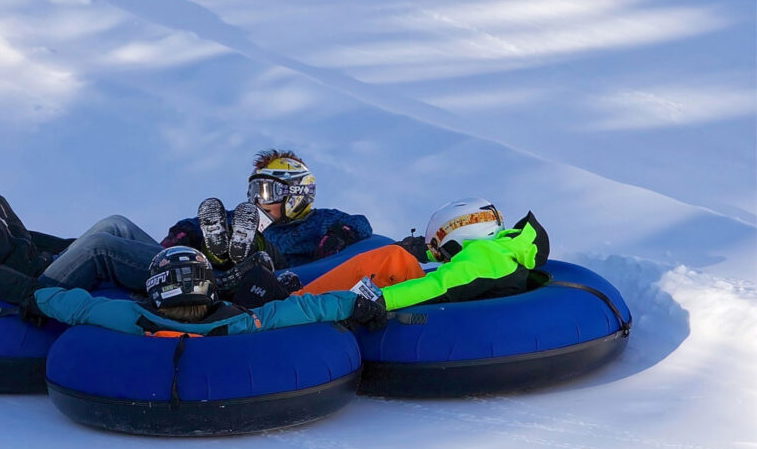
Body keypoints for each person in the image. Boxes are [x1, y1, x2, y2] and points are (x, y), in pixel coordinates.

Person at [0, 128, 162, 309]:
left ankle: (184, 260)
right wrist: (35, 296)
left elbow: (24, 240)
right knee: (101, 247)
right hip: (34, 286)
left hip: (40, 266)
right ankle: (187, 280)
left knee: (114, 225)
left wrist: (73, 246)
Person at [229, 198, 549, 314]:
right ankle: (288, 289)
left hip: (428, 307)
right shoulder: (505, 250)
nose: (436, 252)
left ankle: (289, 301)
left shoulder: (484, 257)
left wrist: (383, 300)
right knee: (394, 255)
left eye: (439, 245)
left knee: (389, 260)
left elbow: (437, 286)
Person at [29, 246, 388, 336]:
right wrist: (354, 303)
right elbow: (307, 310)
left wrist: (39, 299)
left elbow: (79, 307)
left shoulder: (129, 317)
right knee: (278, 294)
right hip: (229, 322)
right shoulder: (246, 322)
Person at [160, 150, 373, 269]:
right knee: (125, 228)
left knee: (256, 246)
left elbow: (360, 224)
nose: (258, 201)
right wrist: (184, 232)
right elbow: (210, 219)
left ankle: (241, 249)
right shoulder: (246, 218)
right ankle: (215, 252)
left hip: (279, 277)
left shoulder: (319, 221)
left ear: (296, 194)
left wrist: (340, 235)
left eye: (265, 192)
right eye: (253, 191)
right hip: (222, 278)